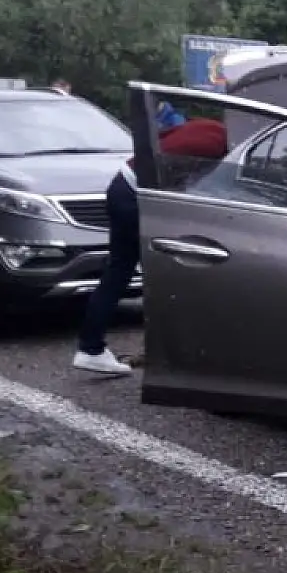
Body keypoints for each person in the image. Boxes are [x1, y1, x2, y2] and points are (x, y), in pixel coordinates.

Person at [72, 102, 228, 376]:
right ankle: (166, 352)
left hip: (122, 183)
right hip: (138, 196)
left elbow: (163, 141)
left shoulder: (206, 126)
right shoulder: (226, 148)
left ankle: (91, 348)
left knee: (119, 272)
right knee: (171, 272)